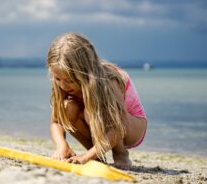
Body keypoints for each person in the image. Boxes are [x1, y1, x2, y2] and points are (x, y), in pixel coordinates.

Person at [47, 32, 147, 170]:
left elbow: (119, 125)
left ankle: (121, 154)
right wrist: (62, 146)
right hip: (99, 125)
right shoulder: (62, 78)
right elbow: (56, 121)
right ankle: (96, 156)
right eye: (57, 79)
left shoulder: (108, 80)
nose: (63, 85)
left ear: (85, 72)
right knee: (66, 108)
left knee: (92, 110)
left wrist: (85, 158)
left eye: (70, 80)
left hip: (131, 127)